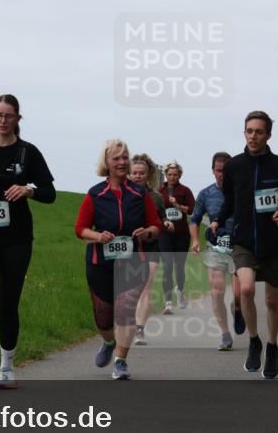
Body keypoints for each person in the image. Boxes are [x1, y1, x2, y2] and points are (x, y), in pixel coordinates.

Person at [0, 94, 56, 390]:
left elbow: (49, 193)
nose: (3, 121)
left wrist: (29, 190)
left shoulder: (28, 152)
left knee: (8, 300)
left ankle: (7, 366)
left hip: (17, 236)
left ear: (18, 118)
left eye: (9, 116)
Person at [210, 111, 278, 379]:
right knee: (246, 289)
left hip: (275, 243)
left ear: (268, 135)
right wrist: (217, 220)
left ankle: (272, 347)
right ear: (244, 133)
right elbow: (230, 201)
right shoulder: (234, 167)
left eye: (259, 132)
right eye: (249, 131)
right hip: (244, 242)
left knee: (272, 301)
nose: (253, 136)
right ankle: (254, 341)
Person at [75, 140, 161, 379]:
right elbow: (80, 228)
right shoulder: (95, 194)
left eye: (125, 157)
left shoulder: (140, 194)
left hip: (133, 261)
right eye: (116, 158)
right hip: (100, 263)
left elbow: (156, 226)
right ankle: (109, 342)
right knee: (103, 317)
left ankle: (121, 360)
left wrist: (147, 232)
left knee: (125, 310)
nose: (122, 162)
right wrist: (98, 236)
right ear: (106, 162)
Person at [189, 151, 243, 351]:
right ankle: (225, 334)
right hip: (216, 248)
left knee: (240, 294)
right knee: (217, 291)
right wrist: (196, 239)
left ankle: (237, 308)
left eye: (226, 171)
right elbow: (194, 219)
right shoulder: (206, 194)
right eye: (219, 170)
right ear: (213, 170)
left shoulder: (241, 191)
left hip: (239, 247)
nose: (222, 175)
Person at [129, 153, 166, 346]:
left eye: (141, 173)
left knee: (145, 288)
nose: (137, 176)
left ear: (148, 174)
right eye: (134, 173)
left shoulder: (156, 197)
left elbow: (162, 219)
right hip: (128, 247)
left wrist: (166, 224)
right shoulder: (123, 194)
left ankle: (140, 329)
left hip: (151, 246)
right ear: (129, 174)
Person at [158, 161, 195, 314]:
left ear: (180, 175)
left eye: (175, 174)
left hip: (181, 234)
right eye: (169, 174)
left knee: (179, 267)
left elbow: (192, 210)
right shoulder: (159, 191)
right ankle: (168, 303)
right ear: (165, 175)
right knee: (167, 266)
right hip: (165, 235)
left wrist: (178, 205)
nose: (172, 177)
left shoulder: (185, 191)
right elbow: (154, 211)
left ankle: (180, 291)